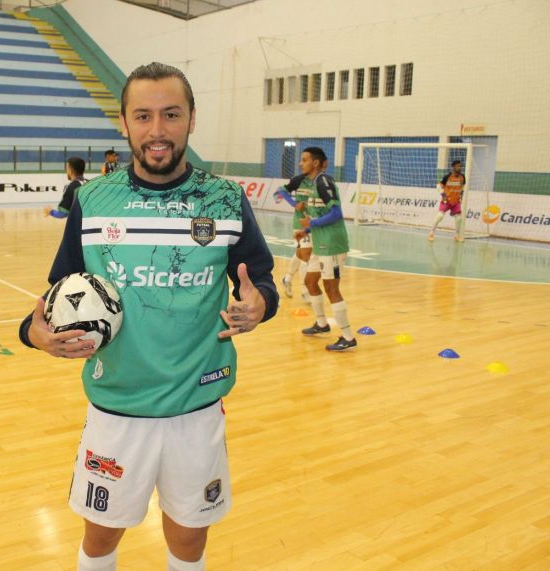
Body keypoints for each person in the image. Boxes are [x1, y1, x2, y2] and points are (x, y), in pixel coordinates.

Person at [19, 62, 278, 571]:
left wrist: (259, 305)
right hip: (117, 408)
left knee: (188, 542)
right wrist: (35, 334)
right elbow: (57, 296)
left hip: (197, 404)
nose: (157, 131)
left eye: (171, 115)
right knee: (101, 539)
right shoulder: (93, 201)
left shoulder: (225, 199)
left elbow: (262, 279)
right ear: (124, 122)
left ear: (191, 119)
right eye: (143, 116)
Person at [294, 147, 357, 351]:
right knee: (310, 281)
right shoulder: (312, 184)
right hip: (319, 242)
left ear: (315, 163)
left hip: (332, 244)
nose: (300, 163)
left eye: (304, 160)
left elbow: (336, 213)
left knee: (331, 288)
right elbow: (317, 216)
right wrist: (306, 230)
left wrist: (310, 225)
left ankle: (348, 337)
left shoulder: (323, 181)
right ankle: (322, 324)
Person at [277, 159, 329, 301]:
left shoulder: (322, 182)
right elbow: (279, 192)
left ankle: (287, 279)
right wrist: (294, 203)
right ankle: (305, 290)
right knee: (306, 255)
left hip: (314, 223)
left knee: (302, 253)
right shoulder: (299, 180)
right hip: (300, 223)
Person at [429, 160, 466, 242]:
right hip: (447, 200)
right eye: (457, 166)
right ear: (453, 167)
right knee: (440, 216)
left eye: (460, 166)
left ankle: (456, 235)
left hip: (456, 201)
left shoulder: (462, 177)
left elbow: (462, 187)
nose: (459, 168)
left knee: (459, 218)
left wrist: (461, 196)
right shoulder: (447, 177)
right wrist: (443, 196)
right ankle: (431, 232)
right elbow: (438, 186)